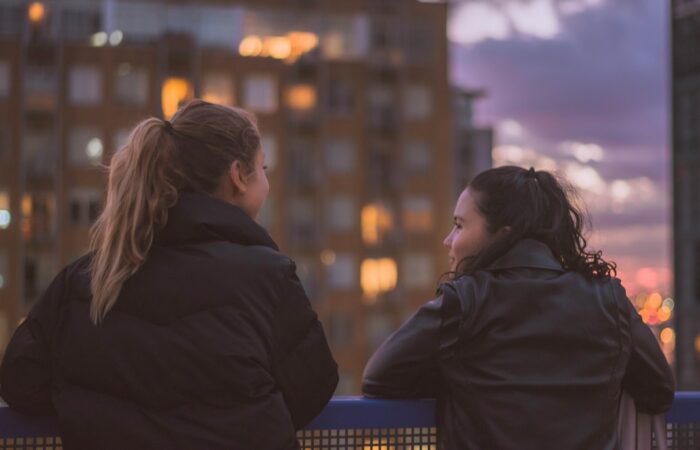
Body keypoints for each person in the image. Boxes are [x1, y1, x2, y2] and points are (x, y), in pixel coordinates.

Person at [0, 99, 338, 450]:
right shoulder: (269, 278)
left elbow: (21, 383)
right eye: (263, 167)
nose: (266, 181)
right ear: (238, 176)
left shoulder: (86, 278)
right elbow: (313, 389)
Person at [363, 166, 674, 450]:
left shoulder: (464, 302)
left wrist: (459, 376)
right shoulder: (607, 300)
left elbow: (379, 380)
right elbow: (658, 389)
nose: (448, 240)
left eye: (459, 225)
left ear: (502, 234)